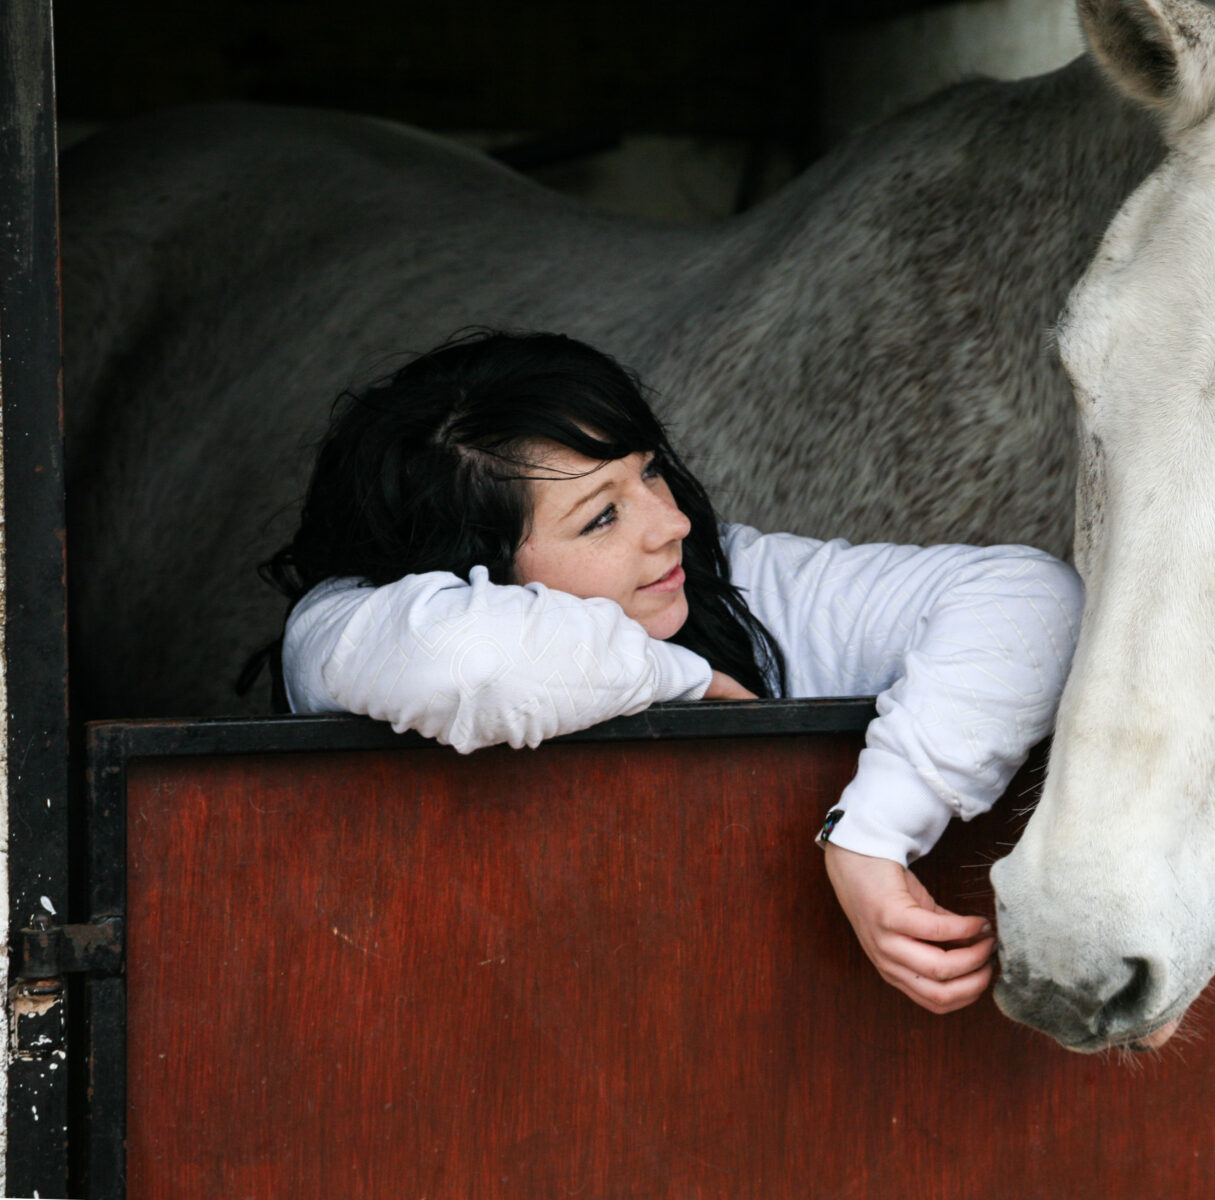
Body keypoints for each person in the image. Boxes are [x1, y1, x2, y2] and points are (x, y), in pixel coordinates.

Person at [261, 330, 1082, 1014]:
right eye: (603, 517)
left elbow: (1033, 598)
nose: (673, 523)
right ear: (474, 568)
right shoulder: (346, 630)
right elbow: (471, 663)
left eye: (648, 470)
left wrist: (875, 835)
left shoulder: (723, 579)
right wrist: (675, 679)